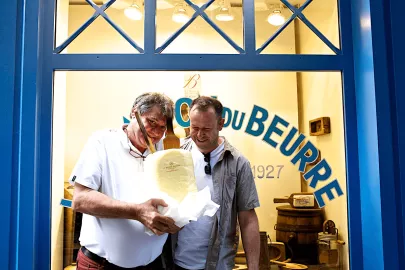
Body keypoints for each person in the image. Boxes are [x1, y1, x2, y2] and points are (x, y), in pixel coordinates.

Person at [69, 92, 181, 270]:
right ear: (133, 112)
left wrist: (178, 219)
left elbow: (175, 197)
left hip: (154, 263)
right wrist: (137, 212)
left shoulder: (165, 149)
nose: (156, 133)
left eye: (162, 128)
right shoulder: (102, 142)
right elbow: (80, 199)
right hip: (102, 264)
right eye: (151, 123)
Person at [170, 96, 261, 270]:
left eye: (206, 129)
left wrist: (254, 267)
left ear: (220, 124)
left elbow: (248, 218)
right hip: (176, 261)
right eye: (194, 127)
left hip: (218, 264)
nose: (199, 135)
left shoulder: (238, 163)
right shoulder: (176, 154)